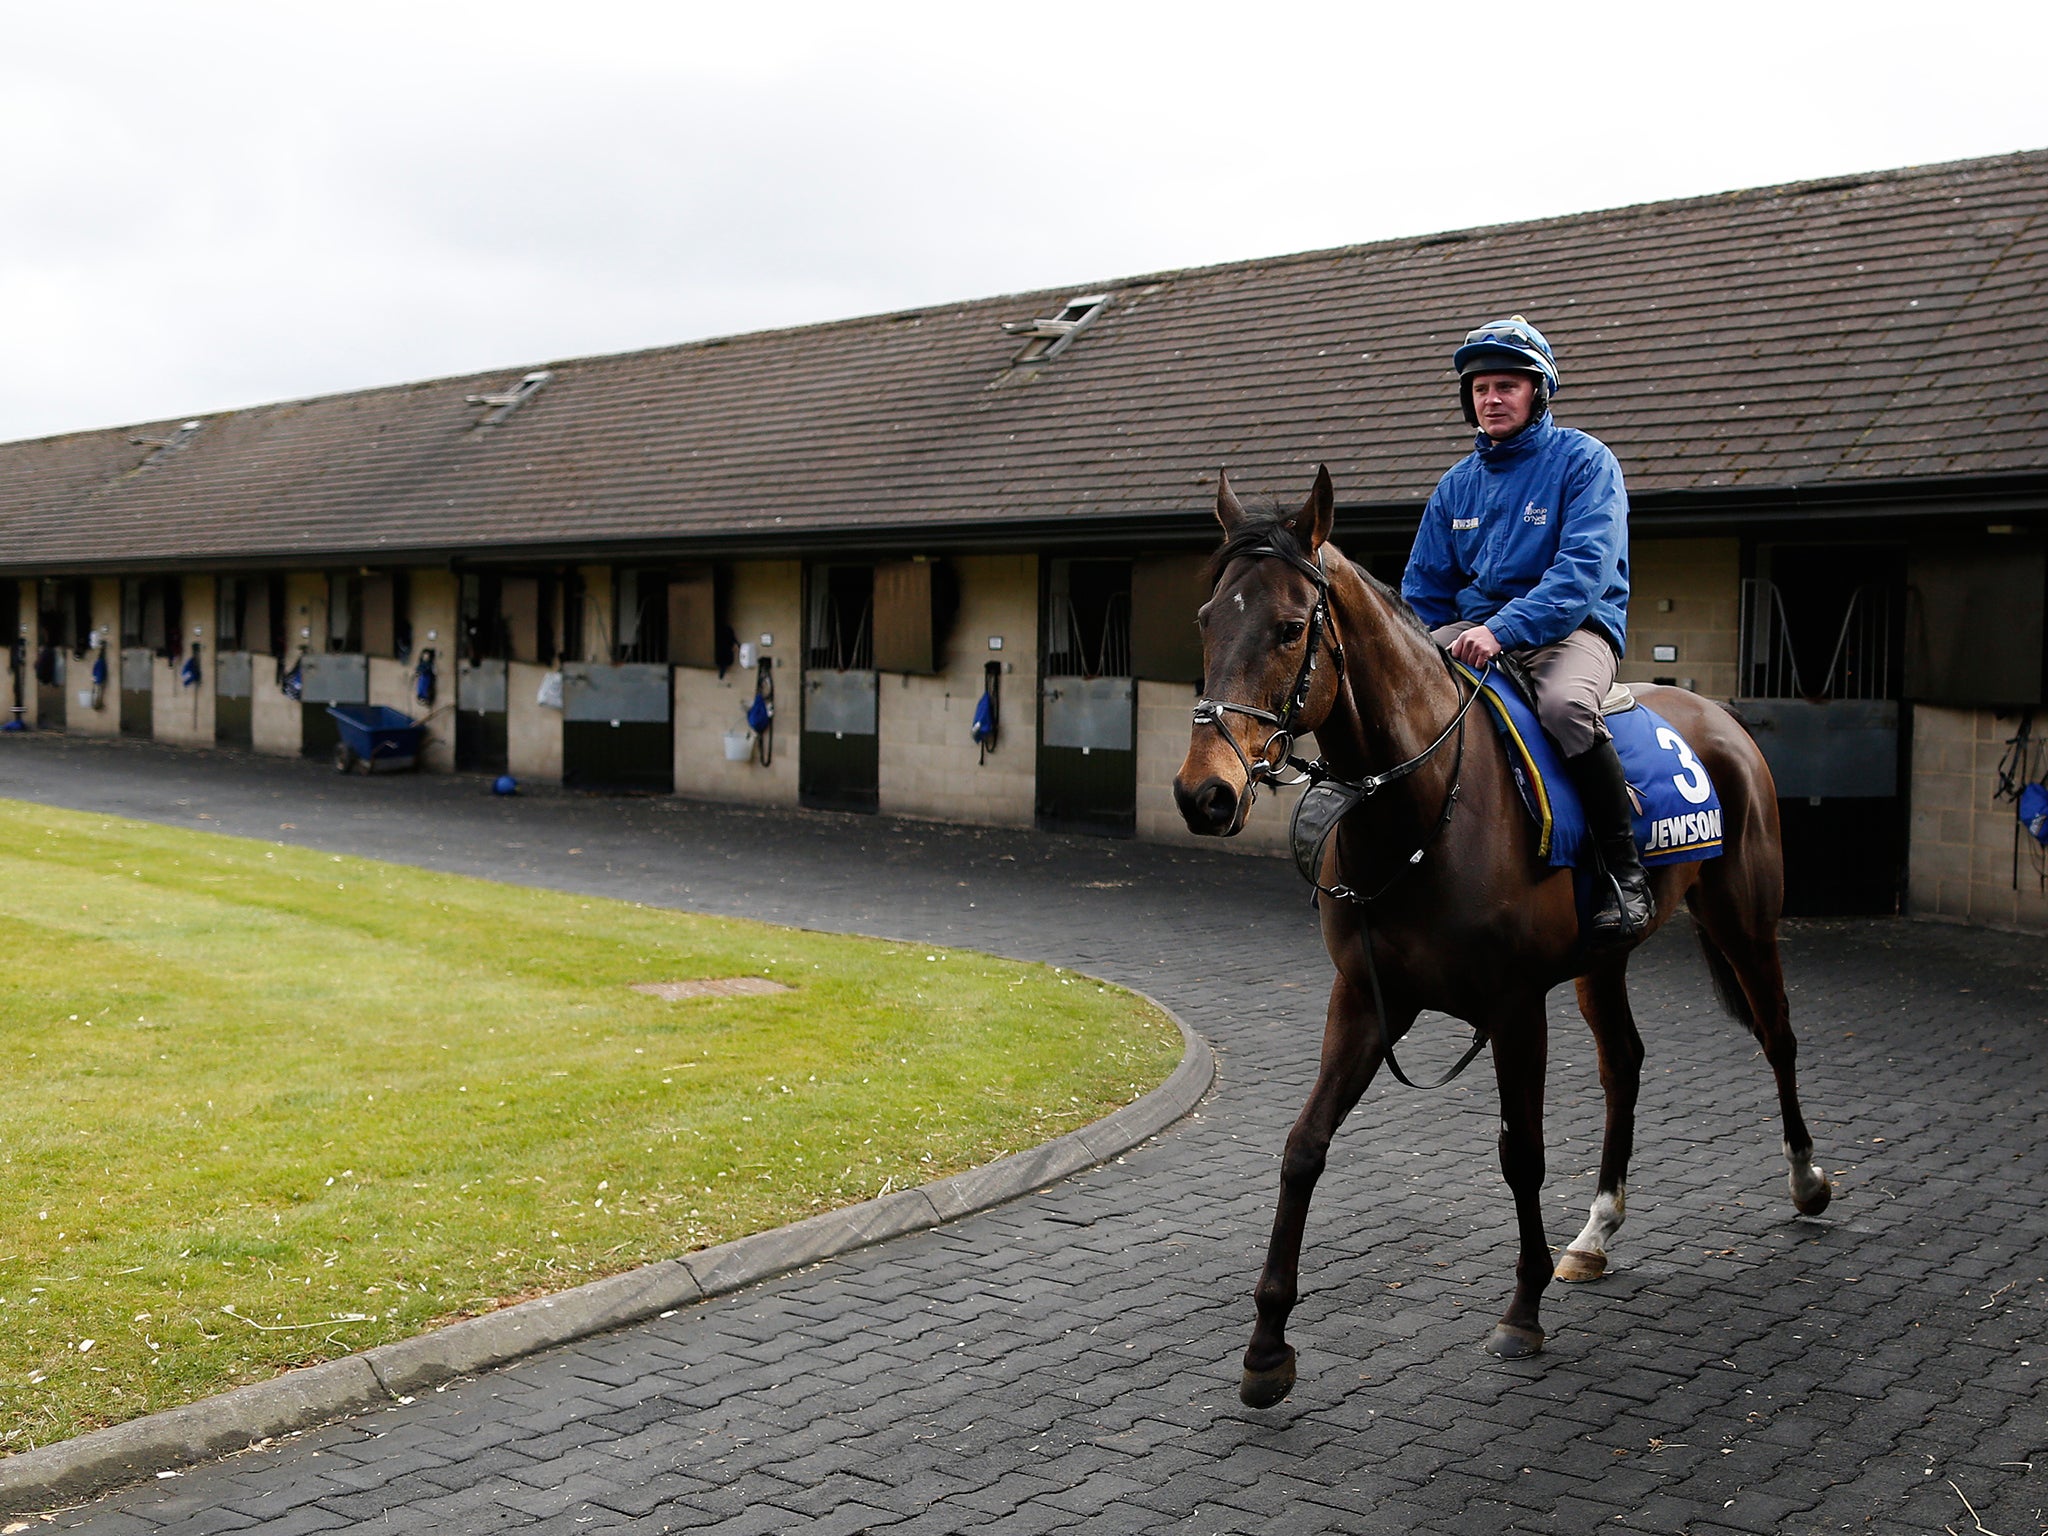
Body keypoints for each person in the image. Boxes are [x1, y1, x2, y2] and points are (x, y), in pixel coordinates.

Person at [1401, 315, 1652, 949]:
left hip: (1572, 627)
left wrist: (1504, 630)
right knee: (1395, 693)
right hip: (1474, 627)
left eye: (1507, 386)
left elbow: (1581, 573)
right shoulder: (1455, 485)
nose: (1492, 398)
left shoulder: (1585, 462)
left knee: (1566, 709)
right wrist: (1418, 648)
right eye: (1481, 388)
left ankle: (1624, 874)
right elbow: (1424, 591)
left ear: (1537, 392)